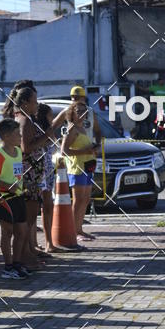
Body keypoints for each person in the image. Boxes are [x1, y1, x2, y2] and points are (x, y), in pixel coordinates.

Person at [0, 118, 29, 279]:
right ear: (7, 136)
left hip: (17, 195)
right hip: (3, 196)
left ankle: (17, 263)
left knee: (22, 231)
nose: (20, 137)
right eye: (17, 134)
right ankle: (8, 266)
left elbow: (16, 172)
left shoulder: (18, 152)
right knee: (7, 231)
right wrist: (7, 185)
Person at [13, 86, 50, 268]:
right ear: (26, 103)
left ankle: (28, 252)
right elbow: (27, 148)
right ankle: (25, 255)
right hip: (30, 174)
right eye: (35, 101)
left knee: (29, 217)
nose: (37, 104)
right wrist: (49, 134)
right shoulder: (25, 121)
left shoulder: (22, 118)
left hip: (29, 173)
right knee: (28, 217)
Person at [61, 101, 97, 241]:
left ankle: (79, 229)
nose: (82, 114)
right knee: (78, 200)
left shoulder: (82, 128)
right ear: (72, 113)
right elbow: (64, 150)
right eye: (79, 111)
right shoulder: (72, 129)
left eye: (84, 111)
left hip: (87, 166)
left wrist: (93, 149)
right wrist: (85, 151)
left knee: (85, 199)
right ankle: (73, 231)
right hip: (77, 168)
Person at [36, 102, 56, 252]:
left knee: (48, 207)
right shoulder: (38, 131)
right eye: (50, 115)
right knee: (39, 207)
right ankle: (38, 243)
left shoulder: (50, 131)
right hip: (39, 172)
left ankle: (50, 241)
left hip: (49, 171)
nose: (52, 118)